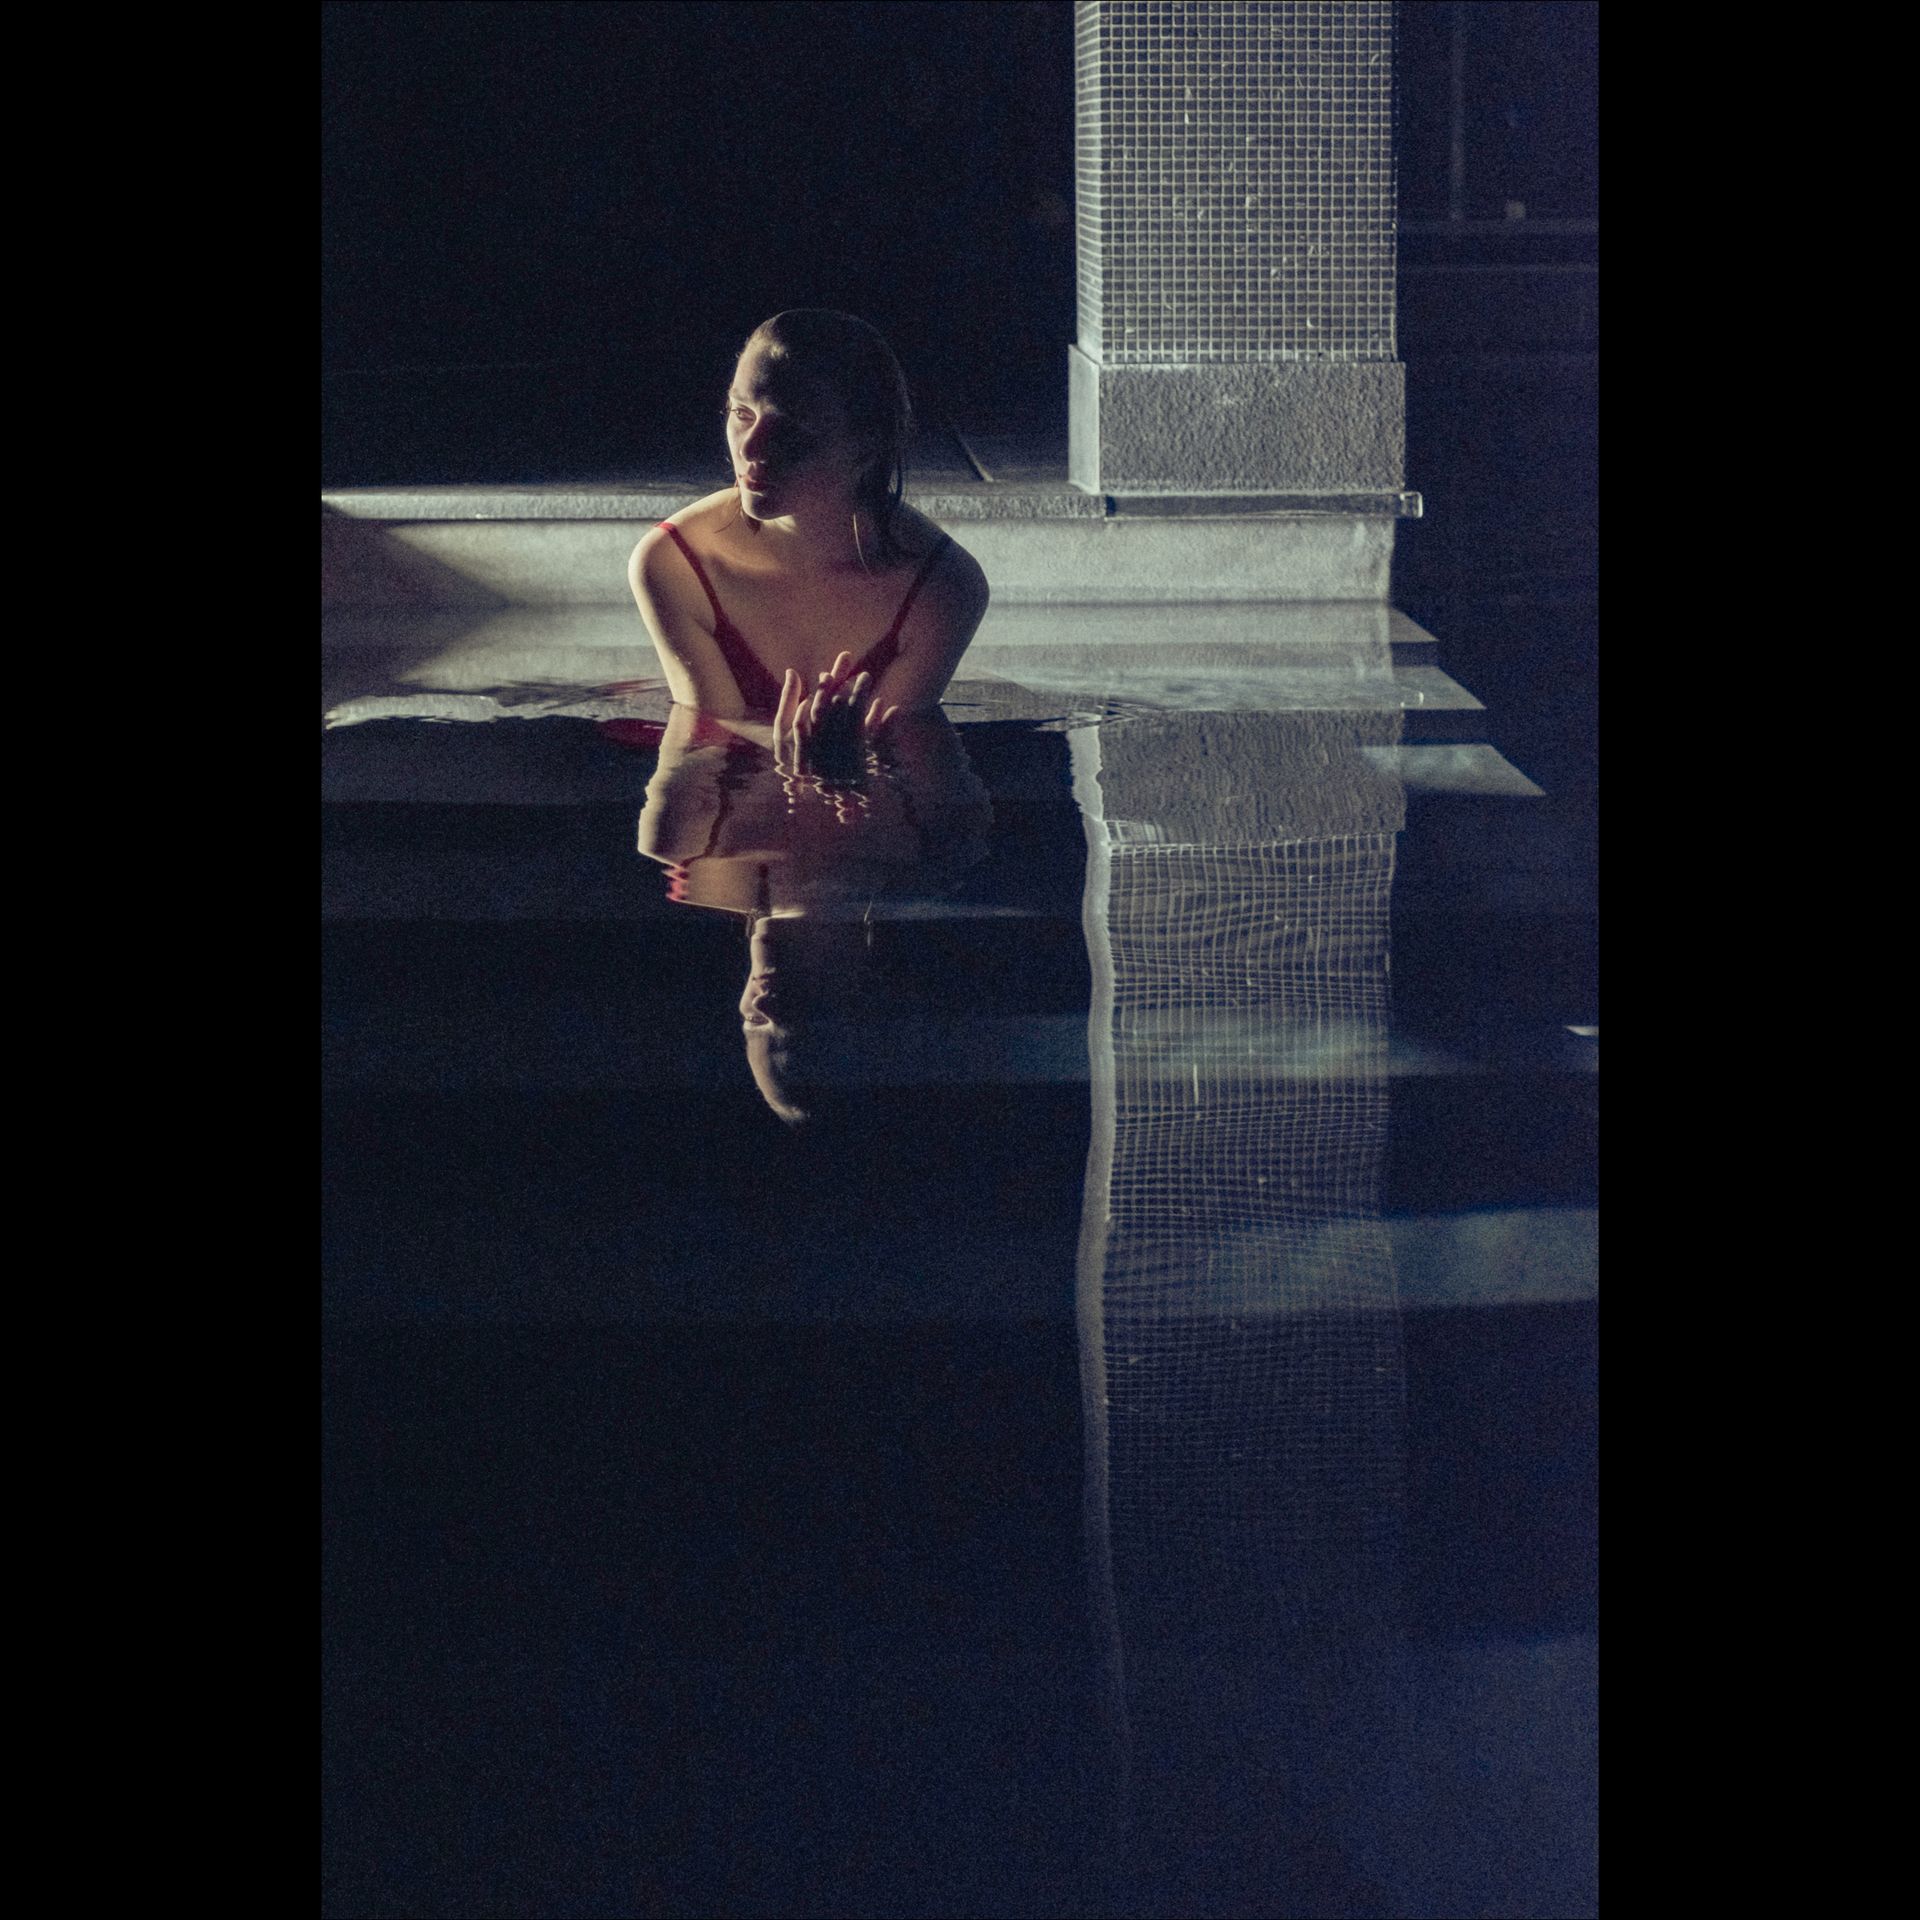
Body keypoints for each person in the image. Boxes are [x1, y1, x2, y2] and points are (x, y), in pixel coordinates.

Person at [627, 310, 991, 762]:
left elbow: (910, 774)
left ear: (868, 444)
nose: (749, 448)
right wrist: (801, 751)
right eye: (741, 413)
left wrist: (830, 756)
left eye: (789, 428)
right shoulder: (675, 562)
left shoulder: (944, 587)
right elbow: (701, 749)